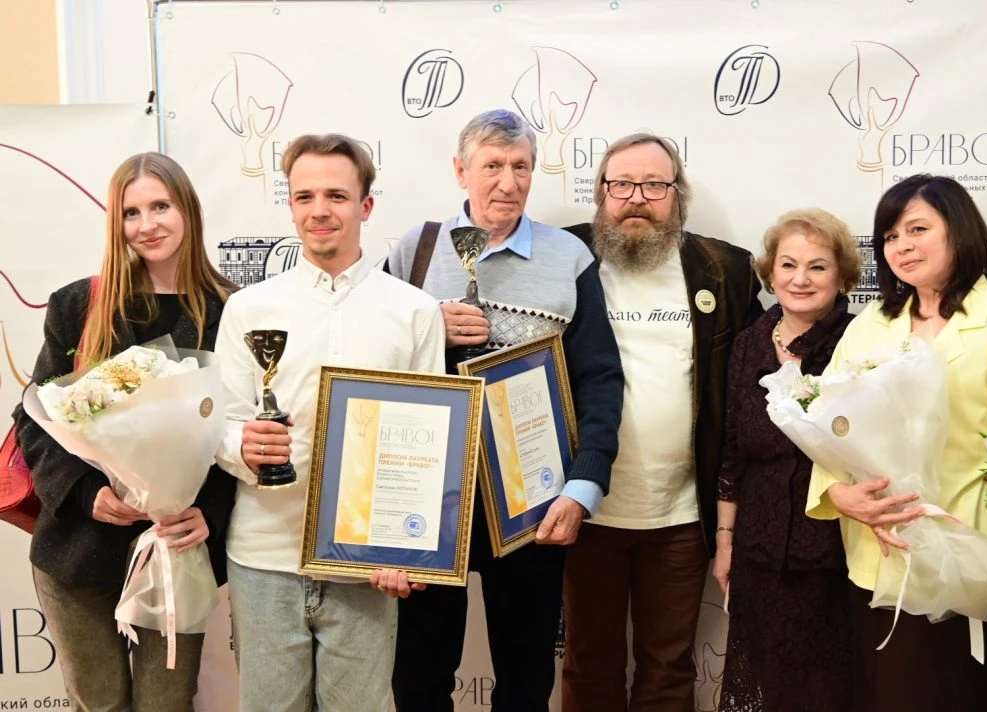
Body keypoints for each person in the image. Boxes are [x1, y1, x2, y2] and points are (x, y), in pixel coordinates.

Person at [386, 109, 624, 712]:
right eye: (492, 165)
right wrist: (427, 330)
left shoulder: (568, 256)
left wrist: (585, 483)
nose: (508, 182)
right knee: (418, 678)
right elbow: (377, 371)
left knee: (525, 682)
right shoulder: (415, 249)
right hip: (430, 501)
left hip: (531, 500)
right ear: (460, 170)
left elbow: (599, 378)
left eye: (521, 167)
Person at [806, 174, 987, 711]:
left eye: (918, 229)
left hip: (972, 550)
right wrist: (839, 495)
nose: (901, 246)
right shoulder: (871, 325)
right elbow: (828, 425)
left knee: (948, 695)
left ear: (960, 232)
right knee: (880, 695)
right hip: (879, 549)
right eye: (890, 235)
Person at [213, 134, 445, 712]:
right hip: (264, 556)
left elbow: (430, 447)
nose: (320, 210)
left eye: (337, 196)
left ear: (366, 206)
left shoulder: (414, 312)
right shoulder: (248, 308)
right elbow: (221, 426)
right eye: (305, 196)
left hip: (365, 567)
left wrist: (408, 550)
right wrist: (243, 446)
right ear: (290, 206)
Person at [13, 152, 237, 712]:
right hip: (78, 554)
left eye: (161, 206)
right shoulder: (79, 305)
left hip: (175, 551)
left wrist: (210, 512)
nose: (147, 224)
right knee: (100, 705)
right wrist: (87, 493)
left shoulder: (233, 311)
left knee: (167, 704)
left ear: (188, 210)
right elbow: (36, 419)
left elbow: (242, 429)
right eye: (131, 212)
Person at [559, 133, 762, 711]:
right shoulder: (564, 258)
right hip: (584, 509)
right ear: (601, 192)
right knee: (588, 664)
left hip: (680, 514)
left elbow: (755, 375)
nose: (637, 198)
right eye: (622, 183)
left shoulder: (724, 270)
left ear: (677, 195)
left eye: (654, 185)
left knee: (669, 667)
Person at [714, 209, 860, 712]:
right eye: (788, 264)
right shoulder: (749, 343)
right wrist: (726, 541)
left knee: (831, 694)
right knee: (772, 691)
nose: (801, 279)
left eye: (818, 267)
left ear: (842, 275)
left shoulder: (859, 344)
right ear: (770, 272)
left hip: (836, 558)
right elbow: (732, 451)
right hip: (758, 554)